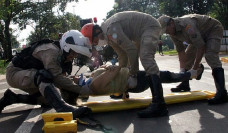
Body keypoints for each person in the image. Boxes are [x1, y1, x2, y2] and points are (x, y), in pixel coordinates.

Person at [81, 11, 201, 117]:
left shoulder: (110, 30)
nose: (96, 43)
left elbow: (131, 50)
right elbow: (122, 56)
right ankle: (190, 74)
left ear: (97, 32)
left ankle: (159, 104)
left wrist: (132, 74)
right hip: (140, 33)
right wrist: (121, 72)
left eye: (94, 40)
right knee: (140, 62)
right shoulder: (109, 36)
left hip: (149, 26)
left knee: (146, 58)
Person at [0, 30, 92, 119]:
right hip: (14, 73)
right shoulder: (52, 51)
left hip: (29, 74)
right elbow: (57, 78)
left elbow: (61, 76)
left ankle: (12, 98)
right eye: (73, 52)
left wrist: (74, 82)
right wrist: (82, 89)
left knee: (50, 99)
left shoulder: (61, 54)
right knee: (43, 76)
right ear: (66, 46)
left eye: (76, 53)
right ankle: (64, 109)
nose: (74, 56)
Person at [158, 14, 227, 105]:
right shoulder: (173, 32)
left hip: (212, 29)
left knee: (210, 56)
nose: (167, 33)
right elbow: (181, 51)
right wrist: (182, 71)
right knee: (187, 58)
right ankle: (185, 84)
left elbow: (201, 47)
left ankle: (222, 93)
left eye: (166, 30)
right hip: (197, 36)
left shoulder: (187, 26)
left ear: (171, 23)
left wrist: (194, 69)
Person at [75, 63, 204, 97]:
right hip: (136, 81)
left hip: (133, 79)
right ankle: (192, 74)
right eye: (75, 80)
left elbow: (113, 79)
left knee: (163, 76)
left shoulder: (92, 81)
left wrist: (108, 66)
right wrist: (110, 65)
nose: (74, 77)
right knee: (164, 76)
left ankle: (189, 75)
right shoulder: (94, 85)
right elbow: (113, 71)